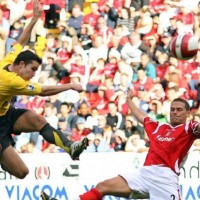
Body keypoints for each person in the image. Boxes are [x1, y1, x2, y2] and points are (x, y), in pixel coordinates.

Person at [41, 90, 200, 200]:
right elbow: (141, 116)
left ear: (187, 113)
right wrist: (129, 100)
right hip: (144, 175)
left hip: (166, 179)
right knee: (103, 186)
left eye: (179, 110)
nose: (175, 112)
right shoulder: (159, 127)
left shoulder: (188, 128)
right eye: (172, 109)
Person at [0, 0, 88, 180]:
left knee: (37, 120)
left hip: (5, 113)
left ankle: (70, 146)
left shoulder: (9, 61)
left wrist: (35, 18)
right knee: (22, 172)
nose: (33, 75)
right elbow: (43, 91)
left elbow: (20, 41)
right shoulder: (11, 81)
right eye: (32, 70)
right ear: (22, 64)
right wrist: (70, 85)